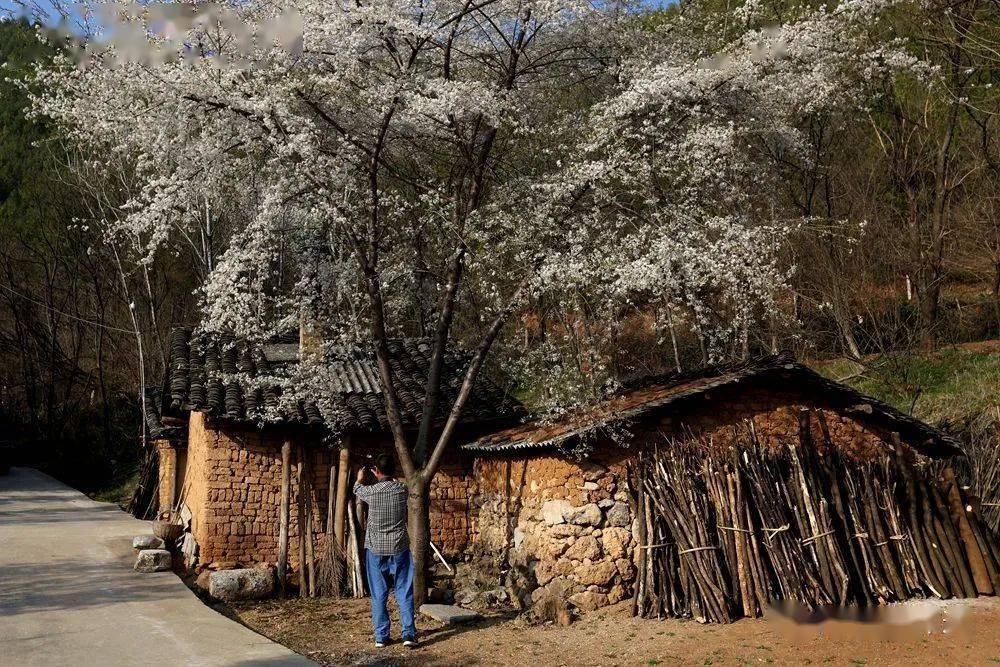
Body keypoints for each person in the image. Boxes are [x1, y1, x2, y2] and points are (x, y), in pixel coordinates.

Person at [353, 452, 417, 648]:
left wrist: (360, 478)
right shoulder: (402, 490)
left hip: (375, 549)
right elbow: (398, 483)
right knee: (404, 591)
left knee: (378, 593)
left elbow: (357, 489)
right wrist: (387, 475)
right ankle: (408, 634)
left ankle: (381, 636)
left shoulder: (371, 492)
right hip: (399, 548)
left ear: (376, 471)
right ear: (394, 470)